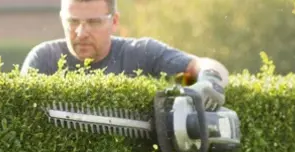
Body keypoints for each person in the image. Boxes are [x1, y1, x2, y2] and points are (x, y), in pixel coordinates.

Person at [20, 0, 229, 110]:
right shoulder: (43, 60)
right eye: (73, 22)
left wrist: (208, 78)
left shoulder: (141, 55)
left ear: (115, 22)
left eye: (94, 22)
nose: (81, 33)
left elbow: (199, 68)